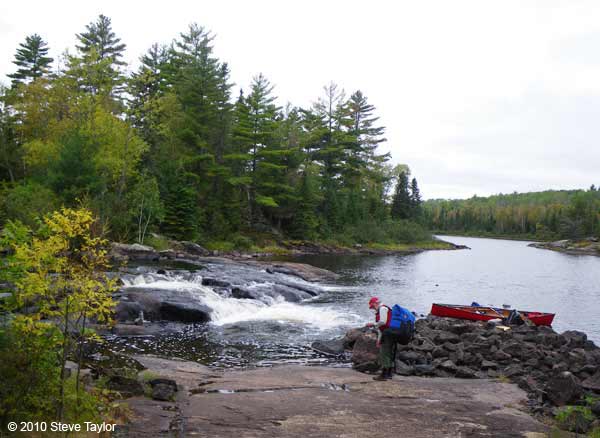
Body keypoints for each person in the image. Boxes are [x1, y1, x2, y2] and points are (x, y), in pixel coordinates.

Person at [366, 297, 414, 381]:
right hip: (391, 333)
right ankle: (389, 374)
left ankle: (384, 375)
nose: (373, 309)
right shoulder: (386, 309)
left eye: (372, 306)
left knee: (385, 353)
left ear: (375, 303)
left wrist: (372, 324)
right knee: (391, 353)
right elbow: (382, 328)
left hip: (388, 334)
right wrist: (379, 340)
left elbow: (383, 322)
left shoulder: (382, 308)